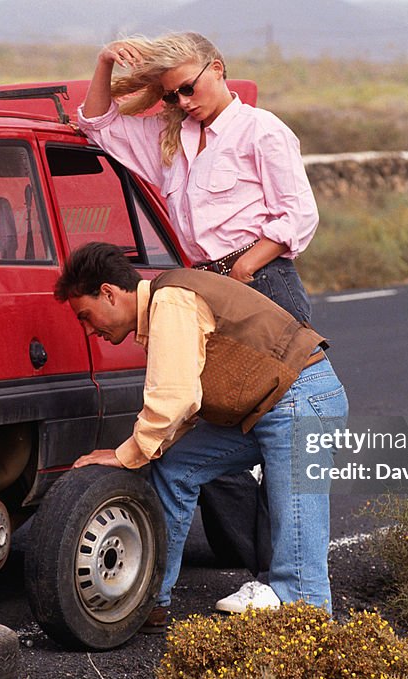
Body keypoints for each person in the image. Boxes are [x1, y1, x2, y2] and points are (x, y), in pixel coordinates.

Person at [78, 31, 322, 613]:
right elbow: (98, 127)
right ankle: (252, 580)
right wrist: (108, 61)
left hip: (259, 284)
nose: (183, 102)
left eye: (188, 88)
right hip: (207, 288)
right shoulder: (173, 140)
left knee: (277, 429)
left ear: (218, 68)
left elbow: (299, 216)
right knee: (220, 429)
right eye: (169, 96)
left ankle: (284, 587)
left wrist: (241, 270)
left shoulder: (262, 131)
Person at [56, 242, 348, 632]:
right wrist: (148, 450)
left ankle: (310, 641)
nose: (90, 330)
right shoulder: (166, 302)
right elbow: (188, 405)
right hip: (263, 407)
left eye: (86, 316)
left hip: (302, 397)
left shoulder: (170, 300)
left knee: (299, 574)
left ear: (109, 293)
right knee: (174, 468)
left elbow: (175, 396)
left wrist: (127, 453)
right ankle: (149, 598)